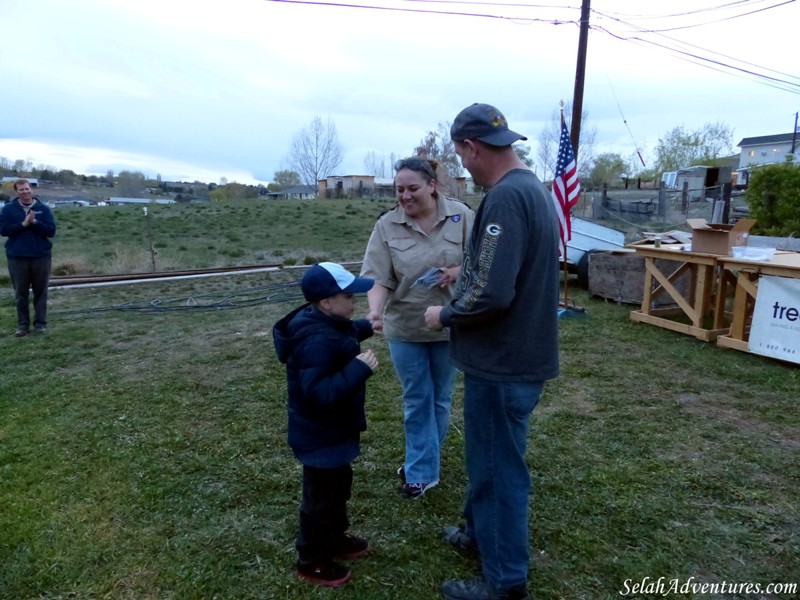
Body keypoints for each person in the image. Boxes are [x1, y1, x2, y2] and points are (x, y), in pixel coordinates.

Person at [424, 103, 561, 600]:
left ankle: (505, 583)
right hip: (515, 357)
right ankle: (478, 535)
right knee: (485, 458)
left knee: (500, 469)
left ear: (471, 147)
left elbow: (494, 295)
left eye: (462, 155)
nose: (463, 167)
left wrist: (446, 315)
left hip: (504, 362)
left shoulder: (505, 199)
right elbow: (507, 270)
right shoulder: (531, 190)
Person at [361, 157, 474, 499]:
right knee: (416, 399)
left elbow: (483, 261)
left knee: (440, 399)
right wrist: (375, 312)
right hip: (405, 327)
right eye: (399, 190)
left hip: (450, 323)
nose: (405, 196)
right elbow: (379, 277)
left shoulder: (462, 215)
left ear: (431, 186)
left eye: (412, 189)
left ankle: (424, 458)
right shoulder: (387, 225)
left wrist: (455, 272)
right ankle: (421, 471)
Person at [272, 262, 379, 587]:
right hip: (319, 436)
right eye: (348, 295)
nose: (355, 299)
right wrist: (358, 369)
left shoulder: (328, 322)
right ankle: (312, 559)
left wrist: (366, 325)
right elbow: (318, 393)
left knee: (338, 488)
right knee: (319, 500)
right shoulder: (314, 340)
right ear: (327, 302)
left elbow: (340, 334)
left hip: (334, 431)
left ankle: (334, 537)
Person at [0, 178, 57, 337]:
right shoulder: (8, 210)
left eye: (27, 189)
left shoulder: (43, 209)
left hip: (41, 257)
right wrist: (23, 224)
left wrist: (35, 222)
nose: (25, 192)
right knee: (21, 293)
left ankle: (40, 323)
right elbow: (4, 230)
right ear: (16, 192)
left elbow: (51, 231)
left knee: (41, 291)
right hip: (17, 257)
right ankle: (23, 326)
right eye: (21, 190)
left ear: (32, 190)